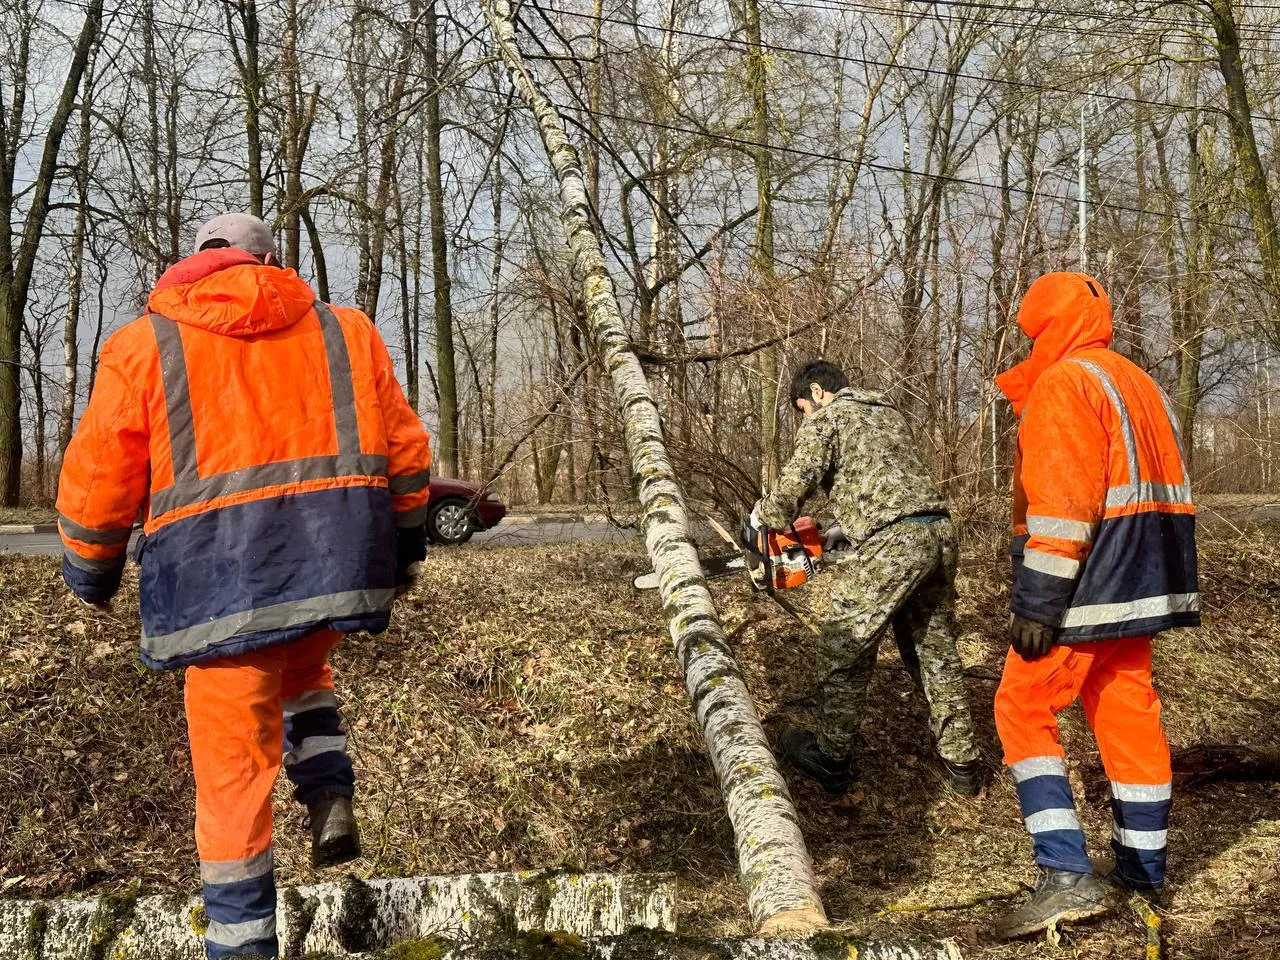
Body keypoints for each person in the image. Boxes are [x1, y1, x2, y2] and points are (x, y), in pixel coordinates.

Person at [57, 213, 433, 960]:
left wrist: (89, 570)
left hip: (214, 592)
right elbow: (407, 449)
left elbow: (98, 481)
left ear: (196, 259)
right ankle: (329, 790)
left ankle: (242, 947)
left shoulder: (142, 347)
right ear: (271, 261)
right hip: (331, 568)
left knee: (232, 784)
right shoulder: (345, 331)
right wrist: (406, 544)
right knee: (304, 664)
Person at [991, 272, 1198, 939]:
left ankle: (1064, 873)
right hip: (1148, 577)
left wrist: (1039, 600)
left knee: (1021, 706)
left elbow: (1065, 502)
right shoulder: (1138, 383)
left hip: (1089, 581)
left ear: (1046, 328)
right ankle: (1143, 871)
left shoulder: (1064, 384)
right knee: (1125, 712)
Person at [752, 359, 982, 798]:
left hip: (896, 542)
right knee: (933, 648)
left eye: (804, 408)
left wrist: (762, 520)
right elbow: (889, 483)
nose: (807, 417)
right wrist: (846, 530)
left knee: (843, 642)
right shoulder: (886, 411)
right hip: (939, 531)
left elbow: (790, 490)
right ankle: (963, 762)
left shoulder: (830, 417)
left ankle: (831, 757)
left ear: (817, 393)